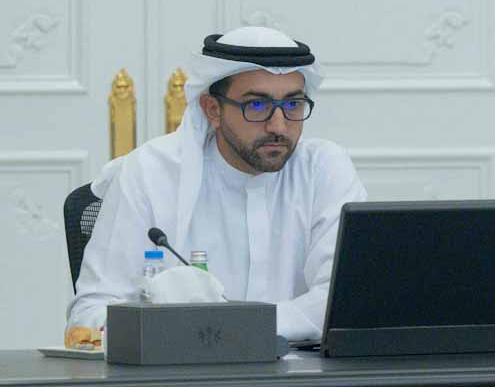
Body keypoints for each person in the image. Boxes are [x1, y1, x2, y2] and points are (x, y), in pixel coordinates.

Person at [68, 26, 367, 341]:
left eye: (293, 105)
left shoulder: (323, 169)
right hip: (184, 368)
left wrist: (229, 328)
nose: (279, 126)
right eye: (257, 105)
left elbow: (345, 298)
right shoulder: (150, 173)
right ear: (212, 109)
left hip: (301, 370)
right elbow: (91, 313)